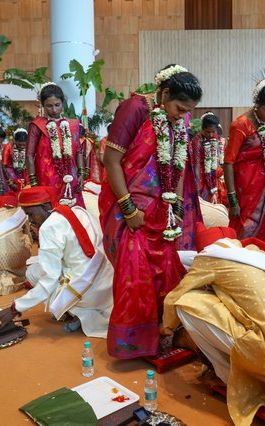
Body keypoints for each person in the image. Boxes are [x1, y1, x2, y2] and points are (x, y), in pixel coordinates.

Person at [163, 225, 265, 426]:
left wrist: (167, 326)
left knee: (185, 302)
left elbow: (175, 295)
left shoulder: (209, 258)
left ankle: (227, 375)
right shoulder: (255, 253)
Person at [99, 64, 203, 359]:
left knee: (162, 272)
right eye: (179, 108)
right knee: (135, 276)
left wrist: (179, 205)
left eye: (188, 112)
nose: (182, 116)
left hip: (162, 210)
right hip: (128, 208)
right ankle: (134, 344)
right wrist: (129, 209)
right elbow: (111, 160)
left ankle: (161, 334)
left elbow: (178, 163)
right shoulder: (134, 108)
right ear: (164, 93)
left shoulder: (179, 119)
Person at [0, 186, 114, 337]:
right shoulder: (78, 210)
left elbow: (49, 280)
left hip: (89, 292)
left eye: (30, 214)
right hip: (109, 283)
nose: (30, 220)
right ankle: (77, 309)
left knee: (33, 273)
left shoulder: (49, 227)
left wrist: (14, 309)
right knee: (43, 268)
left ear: (45, 206)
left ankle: (78, 313)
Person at [223, 78, 265, 254]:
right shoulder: (241, 125)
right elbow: (228, 162)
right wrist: (232, 199)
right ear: (257, 102)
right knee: (245, 228)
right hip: (245, 190)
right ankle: (243, 265)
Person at [25, 83, 86, 207]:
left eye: (57, 105)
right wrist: (33, 182)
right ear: (42, 105)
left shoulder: (73, 124)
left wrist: (81, 174)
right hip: (46, 179)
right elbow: (29, 155)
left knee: (73, 213)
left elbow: (79, 151)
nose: (54, 110)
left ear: (62, 103)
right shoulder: (37, 125)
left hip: (71, 176)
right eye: (49, 106)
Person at [191, 112, 222, 203]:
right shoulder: (197, 141)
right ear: (203, 129)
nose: (211, 135)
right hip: (200, 173)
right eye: (208, 132)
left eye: (213, 132)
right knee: (202, 201)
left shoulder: (214, 137)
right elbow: (196, 164)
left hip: (212, 170)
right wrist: (197, 186)